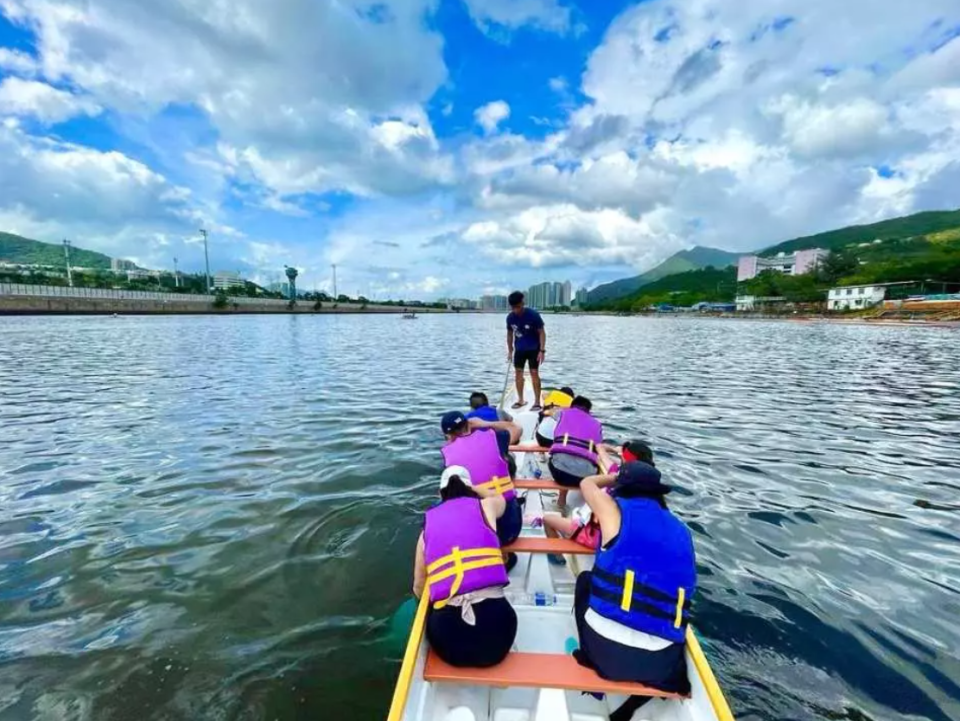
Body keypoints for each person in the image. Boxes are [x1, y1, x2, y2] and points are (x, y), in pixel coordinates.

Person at [572, 460, 695, 695]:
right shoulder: (683, 531)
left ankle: (588, 656)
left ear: (622, 487)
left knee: (586, 581)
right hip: (661, 662)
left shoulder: (613, 510)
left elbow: (586, 483)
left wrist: (614, 477)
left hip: (606, 653)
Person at [412, 466, 517, 667]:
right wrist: (475, 488)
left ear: (440, 494)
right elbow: (502, 499)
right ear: (471, 488)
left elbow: (419, 585)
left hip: (449, 644)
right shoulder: (487, 507)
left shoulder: (427, 529)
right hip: (500, 637)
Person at [537, 441, 655, 566]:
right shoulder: (651, 494)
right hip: (622, 541)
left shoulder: (614, 473)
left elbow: (599, 447)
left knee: (547, 519)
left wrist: (615, 450)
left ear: (624, 460)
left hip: (594, 537)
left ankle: (557, 557)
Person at [441, 411, 523, 568]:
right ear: (469, 425)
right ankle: (504, 553)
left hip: (478, 538)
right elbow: (517, 429)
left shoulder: (447, 456)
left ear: (448, 436)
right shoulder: (494, 438)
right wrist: (485, 424)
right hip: (512, 527)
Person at [548, 395, 603, 488]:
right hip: (585, 478)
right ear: (589, 410)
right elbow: (599, 446)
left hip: (559, 474)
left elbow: (551, 412)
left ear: (572, 406)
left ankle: (561, 499)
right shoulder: (597, 424)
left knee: (560, 454)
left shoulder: (563, 413)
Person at [506, 291, 546, 411]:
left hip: (534, 349)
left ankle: (537, 402)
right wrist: (510, 350)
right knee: (518, 373)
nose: (516, 310)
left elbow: (542, 333)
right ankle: (521, 399)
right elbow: (509, 334)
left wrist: (542, 350)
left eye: (518, 307)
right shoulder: (510, 318)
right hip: (520, 349)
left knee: (534, 373)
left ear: (522, 303)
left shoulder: (533, 315)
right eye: (513, 308)